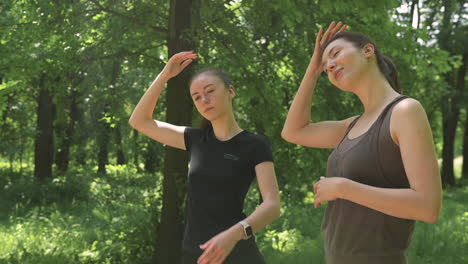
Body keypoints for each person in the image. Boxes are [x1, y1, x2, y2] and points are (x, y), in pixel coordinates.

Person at [281, 21, 442, 264]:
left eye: (335, 54)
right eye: (326, 67)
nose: (330, 65)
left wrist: (343, 188)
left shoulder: (404, 111)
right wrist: (312, 71)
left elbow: (428, 207)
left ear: (368, 51)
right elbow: (293, 131)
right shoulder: (351, 126)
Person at [129, 51, 280, 264]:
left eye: (210, 91)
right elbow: (139, 121)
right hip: (195, 254)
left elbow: (273, 205)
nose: (204, 100)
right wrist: (165, 75)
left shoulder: (254, 145)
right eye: (197, 97)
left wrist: (233, 234)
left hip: (238, 253)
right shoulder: (194, 139)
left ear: (230, 91)